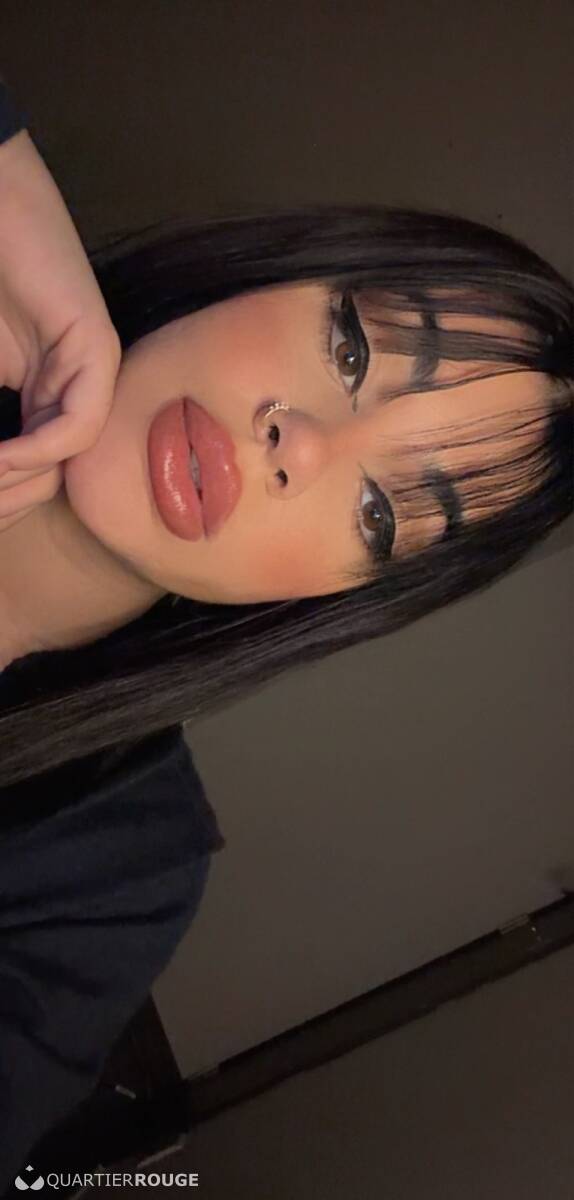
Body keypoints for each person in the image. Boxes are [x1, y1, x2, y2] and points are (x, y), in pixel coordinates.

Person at [0, 76, 572, 1185]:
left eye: (380, 514)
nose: (301, 445)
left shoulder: (114, 874)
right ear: (274, 273)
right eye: (354, 348)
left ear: (339, 596)